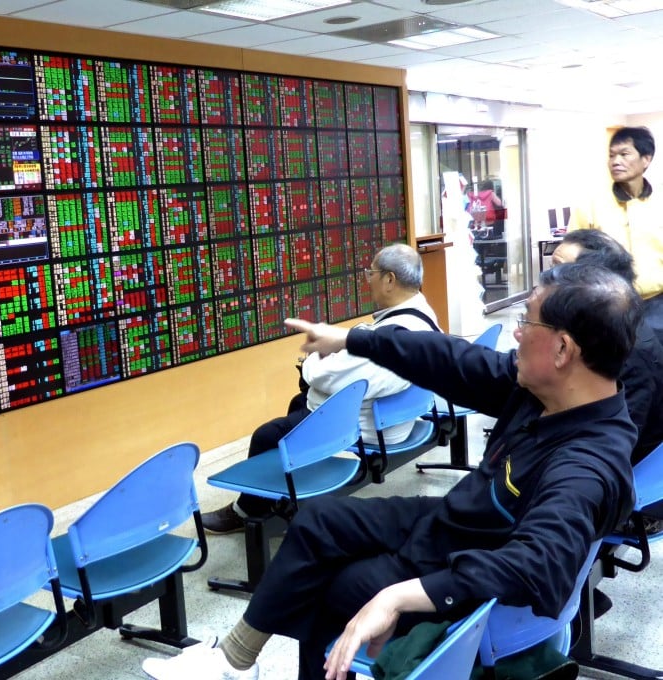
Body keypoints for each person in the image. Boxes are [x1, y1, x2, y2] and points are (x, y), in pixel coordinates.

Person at [142, 263, 638, 680]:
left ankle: (263, 662)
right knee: (318, 523)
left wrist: (401, 596)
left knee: (337, 590)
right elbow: (449, 358)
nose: (516, 330)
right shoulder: (545, 390)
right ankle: (236, 658)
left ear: (562, 350)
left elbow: (536, 565)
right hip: (455, 519)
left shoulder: (587, 464)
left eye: (527, 321)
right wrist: (353, 340)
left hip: (471, 555)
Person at [202, 244, 440, 534]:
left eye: (371, 273)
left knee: (266, 435)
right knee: (298, 402)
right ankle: (284, 492)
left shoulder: (393, 337)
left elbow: (324, 377)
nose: (368, 279)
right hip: (395, 415)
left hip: (373, 430)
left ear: (389, 280)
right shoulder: (423, 317)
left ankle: (246, 511)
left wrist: (313, 358)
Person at [551, 229, 663, 465]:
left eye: (556, 270)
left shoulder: (630, 356)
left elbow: (614, 448)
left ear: (596, 286)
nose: (545, 280)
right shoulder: (590, 330)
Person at [571, 126, 663, 339]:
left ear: (646, 159)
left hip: (658, 304)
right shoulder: (591, 203)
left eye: (624, 154)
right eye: (612, 155)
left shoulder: (659, 202)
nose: (615, 161)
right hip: (609, 306)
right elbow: (571, 255)